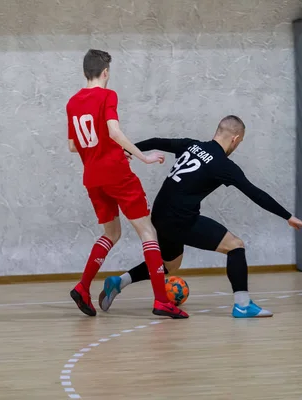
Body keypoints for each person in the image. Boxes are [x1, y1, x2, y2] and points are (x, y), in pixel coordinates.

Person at [98, 115, 302, 318]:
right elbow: (255, 193)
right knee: (235, 246)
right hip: (180, 218)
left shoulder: (191, 145)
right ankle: (243, 305)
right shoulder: (223, 164)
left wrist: (125, 149)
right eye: (239, 142)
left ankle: (119, 282)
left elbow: (156, 141)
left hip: (160, 213)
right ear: (235, 139)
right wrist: (287, 216)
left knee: (170, 266)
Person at [65, 49, 188, 319]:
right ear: (106, 72)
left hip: (92, 177)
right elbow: (113, 131)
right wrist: (142, 156)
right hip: (116, 174)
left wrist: (103, 150)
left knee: (111, 233)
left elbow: (74, 146)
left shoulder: (72, 103)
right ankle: (161, 301)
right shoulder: (108, 95)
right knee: (147, 232)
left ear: (85, 71)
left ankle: (83, 287)